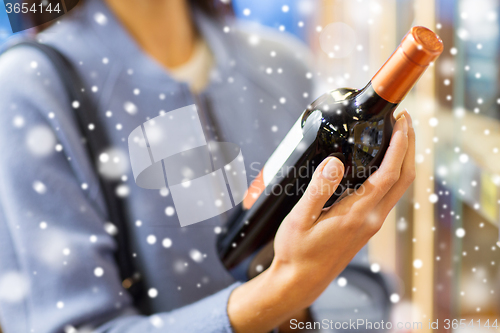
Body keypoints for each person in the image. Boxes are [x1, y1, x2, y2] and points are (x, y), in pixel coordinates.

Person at [0, 0, 415, 332]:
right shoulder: (31, 87)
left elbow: (361, 292)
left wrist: (308, 300)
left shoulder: (281, 63)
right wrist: (280, 293)